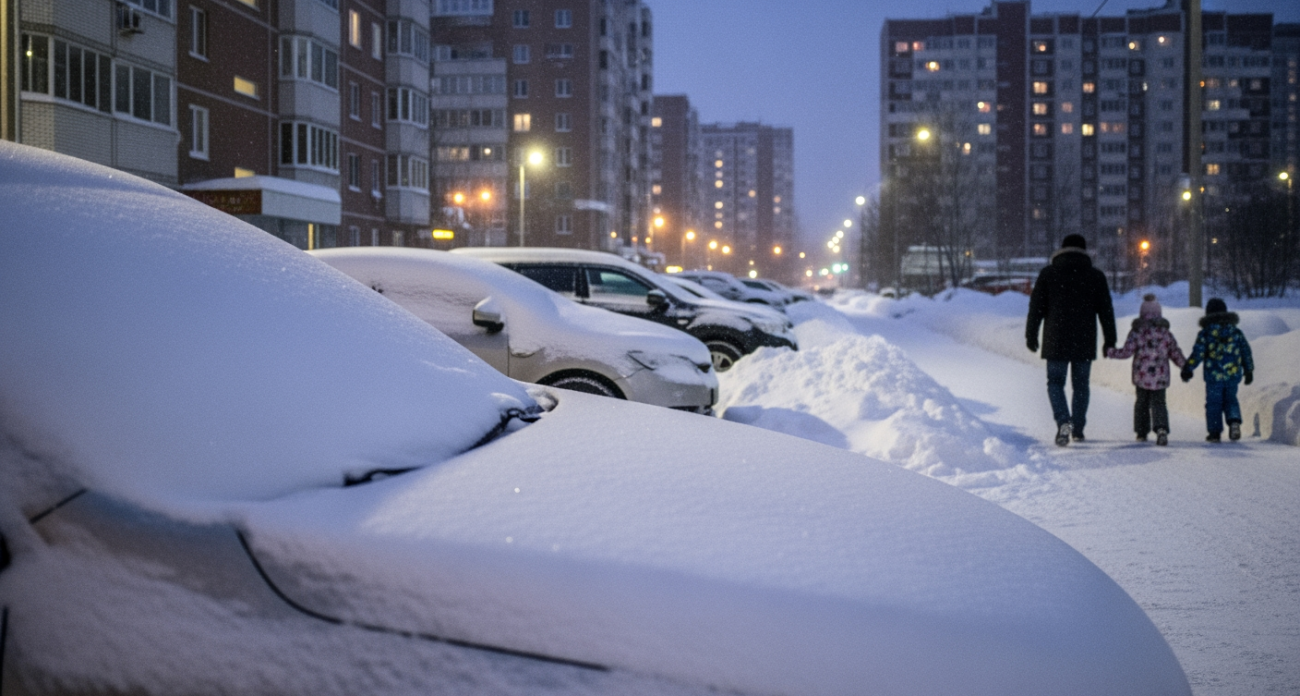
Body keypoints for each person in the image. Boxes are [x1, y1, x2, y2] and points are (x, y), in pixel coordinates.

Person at [1025, 234, 1117, 447]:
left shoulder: (1048, 274)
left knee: (1055, 383)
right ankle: (1078, 427)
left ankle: (1063, 421)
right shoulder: (1095, 276)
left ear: (1062, 249)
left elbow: (1036, 307)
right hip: (1084, 340)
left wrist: (1031, 334)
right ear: (1084, 251)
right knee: (1081, 385)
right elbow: (1106, 310)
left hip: (1055, 339)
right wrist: (1109, 339)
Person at [1105, 294, 1186, 446]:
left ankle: (1141, 432)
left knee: (1141, 403)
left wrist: (1110, 352)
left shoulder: (1137, 332)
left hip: (1141, 377)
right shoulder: (1165, 333)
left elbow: (1127, 352)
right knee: (1159, 403)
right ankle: (1161, 429)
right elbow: (1175, 352)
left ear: (1142, 313)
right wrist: (1185, 366)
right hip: (1161, 377)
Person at [1181, 297, 1254, 443]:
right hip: (1232, 375)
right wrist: (1248, 370)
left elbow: (1198, 353)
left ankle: (1214, 432)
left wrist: (1188, 368)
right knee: (1231, 400)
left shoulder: (1206, 333)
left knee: (1214, 403)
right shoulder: (1236, 332)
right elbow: (1245, 351)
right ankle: (1234, 422)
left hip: (1213, 376)